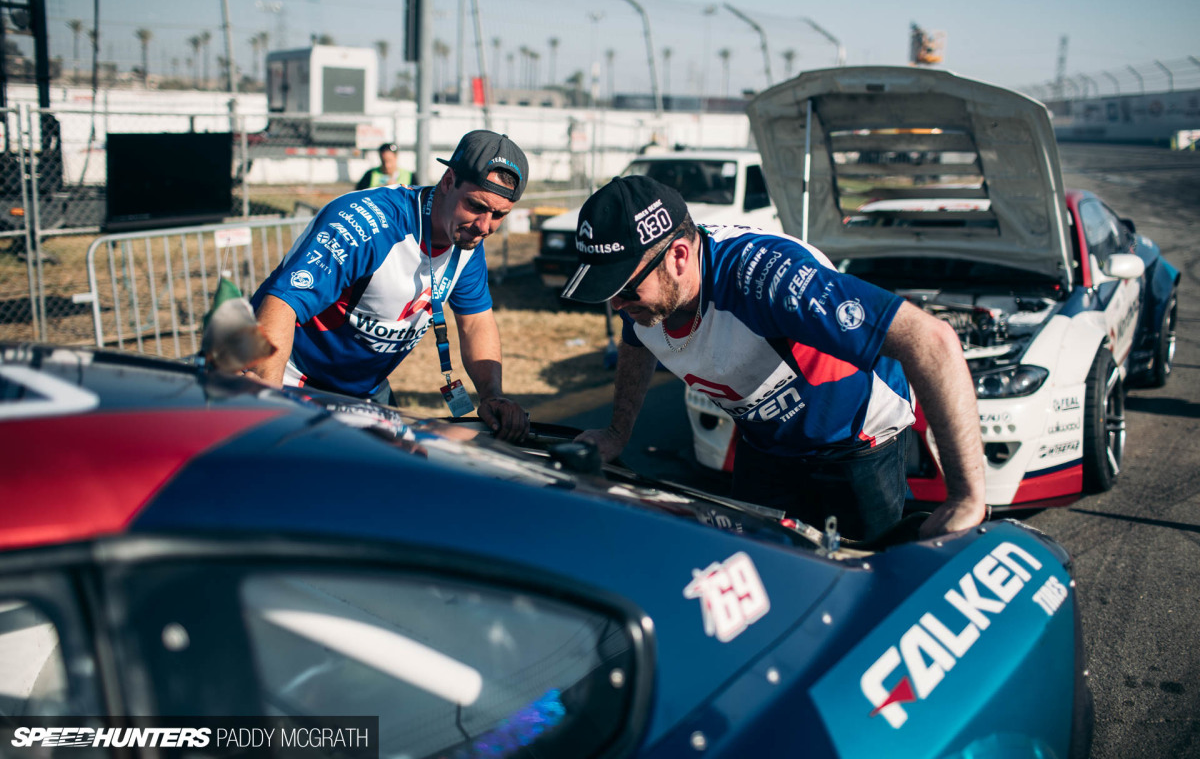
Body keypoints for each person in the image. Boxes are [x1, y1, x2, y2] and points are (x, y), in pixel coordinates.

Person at [562, 176, 986, 540]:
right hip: (766, 445)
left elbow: (932, 341)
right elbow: (637, 342)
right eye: (607, 291)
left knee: (867, 581)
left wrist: (967, 498)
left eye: (625, 288)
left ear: (678, 257)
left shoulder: (766, 277)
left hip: (855, 443)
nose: (617, 304)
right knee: (759, 570)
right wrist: (618, 431)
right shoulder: (647, 300)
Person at [249, 130, 530, 442]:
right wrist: (267, 400)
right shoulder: (367, 224)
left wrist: (492, 395)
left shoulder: (466, 240)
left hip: (363, 391)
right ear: (448, 181)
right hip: (290, 374)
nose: (484, 226)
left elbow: (476, 321)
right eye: (476, 206)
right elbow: (282, 305)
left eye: (499, 215)